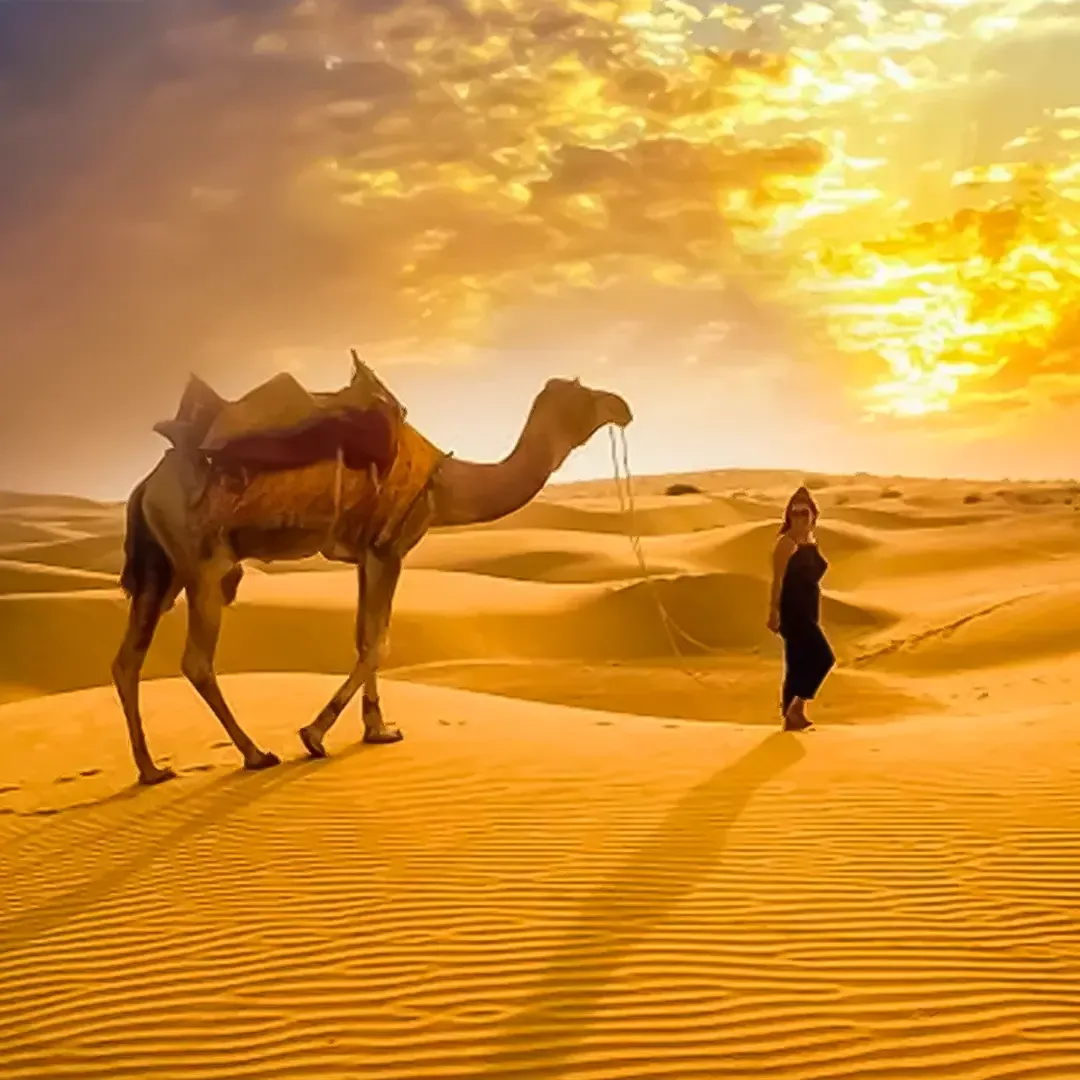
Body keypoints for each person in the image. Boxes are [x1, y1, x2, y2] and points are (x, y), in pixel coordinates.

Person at [767, 485, 835, 731]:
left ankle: (793, 716)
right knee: (824, 658)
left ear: (813, 515)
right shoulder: (786, 543)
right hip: (793, 611)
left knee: (798, 663)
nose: (799, 518)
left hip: (808, 610)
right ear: (788, 516)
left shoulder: (810, 541)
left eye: (804, 512)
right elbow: (777, 580)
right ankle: (795, 709)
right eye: (794, 513)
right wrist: (773, 612)